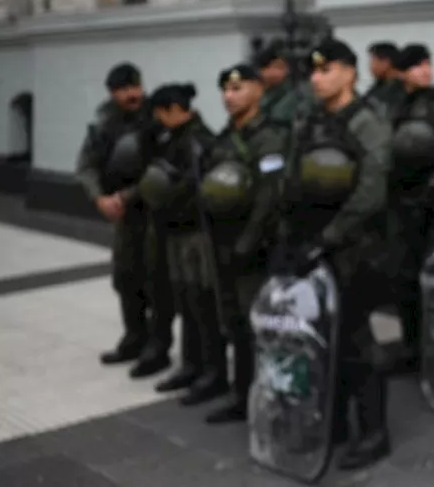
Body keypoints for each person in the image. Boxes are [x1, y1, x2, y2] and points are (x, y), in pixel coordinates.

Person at [278, 38, 393, 470]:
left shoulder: (367, 122)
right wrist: (291, 238)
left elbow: (371, 191)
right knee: (323, 340)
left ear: (349, 72)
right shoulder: (308, 122)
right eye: (314, 71)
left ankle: (374, 432)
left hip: (355, 249)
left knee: (359, 345)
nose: (318, 78)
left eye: (327, 70)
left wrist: (328, 237)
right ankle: (336, 425)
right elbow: (292, 181)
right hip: (314, 246)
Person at [198, 65, 290, 424]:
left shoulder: (270, 137)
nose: (228, 96)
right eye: (225, 89)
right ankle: (243, 396)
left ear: (258, 91)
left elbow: (270, 195)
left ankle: (272, 395)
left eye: (237, 88)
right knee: (234, 322)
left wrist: (247, 243)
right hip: (223, 242)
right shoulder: (223, 138)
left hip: (255, 246)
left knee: (260, 325)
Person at [77, 62, 174, 378]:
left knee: (156, 280)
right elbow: (86, 166)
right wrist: (99, 198)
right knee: (125, 277)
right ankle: (134, 338)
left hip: (154, 211)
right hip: (123, 215)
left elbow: (163, 166)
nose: (131, 94)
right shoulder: (104, 125)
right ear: (112, 93)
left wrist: (126, 196)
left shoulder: (157, 118)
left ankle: (159, 347)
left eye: (134, 87)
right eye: (123, 89)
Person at [136, 83, 227, 406]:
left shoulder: (199, 142)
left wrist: (167, 199)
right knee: (185, 300)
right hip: (174, 230)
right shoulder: (171, 138)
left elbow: (193, 188)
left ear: (175, 110)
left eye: (161, 114)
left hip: (195, 232)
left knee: (203, 302)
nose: (159, 121)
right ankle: (191, 365)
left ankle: (213, 372)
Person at [386, 43, 434, 373]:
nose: (425, 72)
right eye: (417, 67)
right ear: (402, 72)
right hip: (402, 204)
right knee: (405, 280)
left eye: (428, 65)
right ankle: (413, 349)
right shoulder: (393, 105)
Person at [254, 43, 304, 124]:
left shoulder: (294, 96)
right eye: (269, 67)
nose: (273, 72)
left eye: (279, 67)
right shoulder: (257, 94)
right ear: (261, 71)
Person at [364, 42, 406, 118]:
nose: (370, 65)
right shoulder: (379, 85)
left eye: (373, 60)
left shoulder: (402, 89)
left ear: (386, 62)